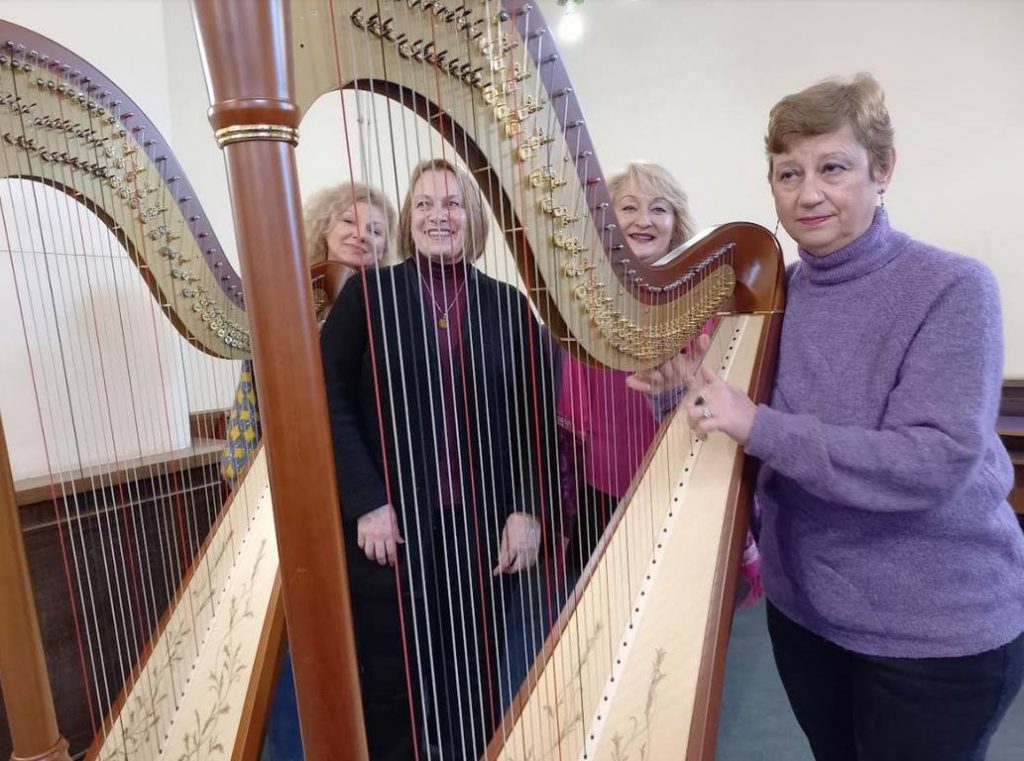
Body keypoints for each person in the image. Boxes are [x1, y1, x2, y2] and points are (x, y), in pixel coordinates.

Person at [685, 73, 1024, 761]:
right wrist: (683, 389)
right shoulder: (774, 302)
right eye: (789, 173)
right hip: (807, 614)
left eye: (833, 168)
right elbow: (744, 433)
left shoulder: (954, 287)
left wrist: (759, 425)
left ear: (883, 169)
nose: (808, 193)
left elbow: (930, 461)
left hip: (931, 634)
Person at [320, 158, 556, 760]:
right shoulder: (367, 296)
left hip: (483, 531)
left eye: (451, 203)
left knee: (473, 684)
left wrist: (527, 510)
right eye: (423, 204)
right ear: (409, 219)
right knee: (392, 687)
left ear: (472, 216)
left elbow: (536, 420)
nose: (437, 216)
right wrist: (367, 501)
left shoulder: (507, 305)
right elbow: (328, 399)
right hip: (390, 529)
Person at [221, 181, 395, 485]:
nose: (361, 235)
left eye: (375, 231)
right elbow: (258, 391)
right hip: (300, 459)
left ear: (384, 248)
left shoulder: (391, 308)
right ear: (325, 228)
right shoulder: (289, 305)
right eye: (348, 221)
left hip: (370, 464)